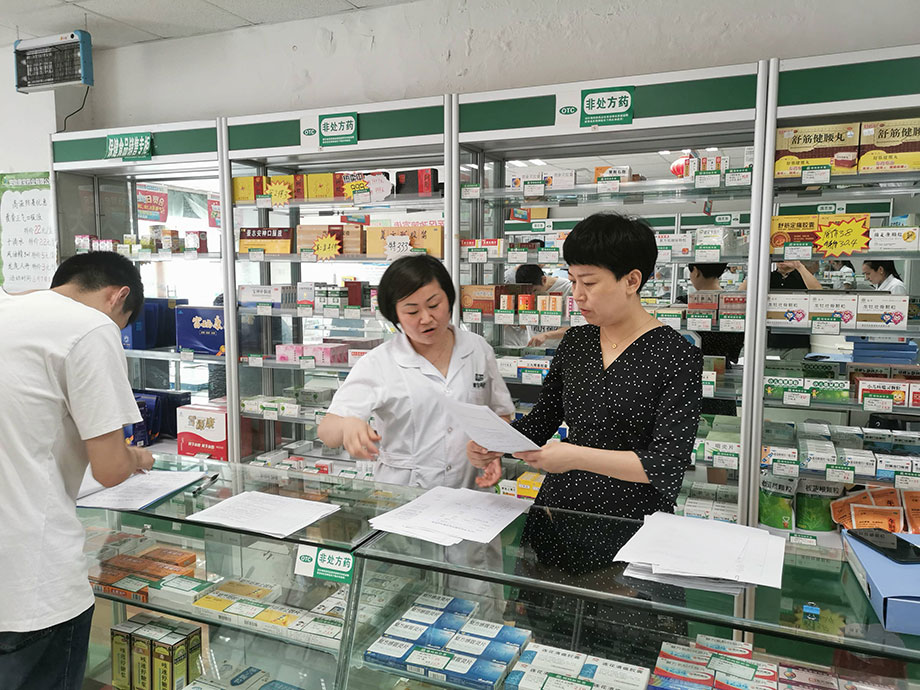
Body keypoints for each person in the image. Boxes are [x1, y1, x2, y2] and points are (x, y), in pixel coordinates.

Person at [468, 213, 702, 519]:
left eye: (589, 282)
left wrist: (576, 457)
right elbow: (541, 422)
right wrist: (494, 443)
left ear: (632, 281)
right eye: (573, 280)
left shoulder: (675, 354)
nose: (577, 294)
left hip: (632, 518)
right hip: (558, 508)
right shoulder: (577, 342)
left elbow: (666, 464)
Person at [0, 252, 155, 690]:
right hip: (31, 583)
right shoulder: (90, 328)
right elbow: (110, 469)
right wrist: (137, 458)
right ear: (118, 297)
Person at [318, 253, 514, 490]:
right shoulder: (379, 362)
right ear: (395, 315)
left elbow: (501, 413)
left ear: (449, 299)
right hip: (403, 494)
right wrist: (347, 425)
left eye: (434, 305)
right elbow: (327, 430)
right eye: (412, 312)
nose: (426, 318)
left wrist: (490, 450)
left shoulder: (477, 348)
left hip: (471, 491)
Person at [677, 262, 743, 416]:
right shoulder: (735, 306)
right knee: (721, 426)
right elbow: (734, 352)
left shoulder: (683, 304)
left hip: (687, 378)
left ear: (696, 272)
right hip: (722, 379)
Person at [766, 260, 822, 360]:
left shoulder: (803, 276)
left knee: (795, 369)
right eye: (779, 258)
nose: (782, 261)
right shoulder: (766, 276)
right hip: (768, 340)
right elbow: (742, 291)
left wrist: (799, 266)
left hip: (797, 342)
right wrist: (760, 266)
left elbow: (819, 293)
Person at [510, 263, 572, 348]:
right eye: (527, 293)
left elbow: (574, 327)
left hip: (558, 350)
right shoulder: (526, 295)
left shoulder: (568, 289)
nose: (531, 296)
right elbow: (524, 326)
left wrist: (546, 335)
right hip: (533, 350)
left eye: (534, 291)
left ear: (544, 280)